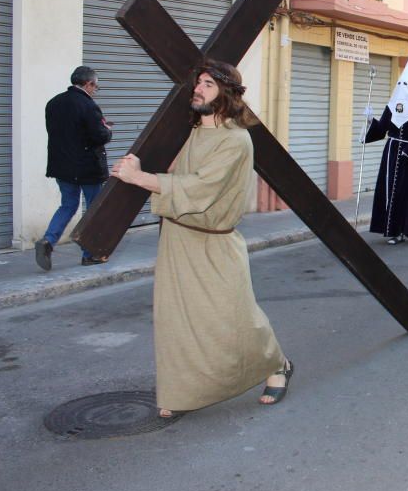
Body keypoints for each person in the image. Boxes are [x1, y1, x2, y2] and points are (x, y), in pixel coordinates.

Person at [112, 61, 292, 417]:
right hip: (179, 239)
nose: (198, 89)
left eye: (208, 84)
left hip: (215, 243)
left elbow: (200, 187)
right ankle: (182, 393)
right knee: (179, 320)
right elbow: (178, 173)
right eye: (198, 83)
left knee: (234, 317)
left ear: (226, 94)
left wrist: (139, 178)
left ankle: (277, 364)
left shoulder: (235, 140)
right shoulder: (194, 131)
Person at [36, 66, 113, 271]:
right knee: (93, 209)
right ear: (88, 84)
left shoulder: (53, 103)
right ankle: (90, 254)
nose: (96, 90)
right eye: (95, 86)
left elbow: (62, 133)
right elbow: (99, 136)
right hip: (87, 167)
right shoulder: (88, 106)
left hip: (62, 167)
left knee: (68, 205)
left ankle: (48, 241)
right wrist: (107, 130)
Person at [364, 36, 408, 244]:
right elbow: (382, 129)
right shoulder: (391, 106)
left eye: (404, 84)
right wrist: (370, 120)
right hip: (392, 156)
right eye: (398, 84)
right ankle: (393, 230)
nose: (401, 87)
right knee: (390, 193)